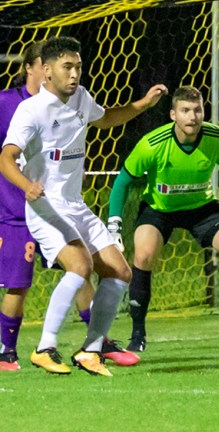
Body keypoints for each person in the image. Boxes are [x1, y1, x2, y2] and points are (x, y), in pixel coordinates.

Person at [0, 36, 167, 376]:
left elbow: (105, 119)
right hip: (46, 207)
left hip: (75, 206)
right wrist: (26, 185)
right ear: (46, 71)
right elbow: (6, 158)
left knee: (120, 272)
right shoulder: (30, 111)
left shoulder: (80, 98)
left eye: (78, 66)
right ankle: (45, 347)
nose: (75, 73)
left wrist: (143, 105)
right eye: (67, 67)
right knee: (78, 267)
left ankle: (90, 350)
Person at [107, 85, 219, 353]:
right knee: (143, 256)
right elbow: (123, 181)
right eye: (185, 110)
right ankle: (137, 335)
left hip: (202, 207)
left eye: (197, 110)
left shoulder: (218, 139)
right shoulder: (153, 144)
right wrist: (113, 224)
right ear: (173, 114)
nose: (192, 117)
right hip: (158, 209)